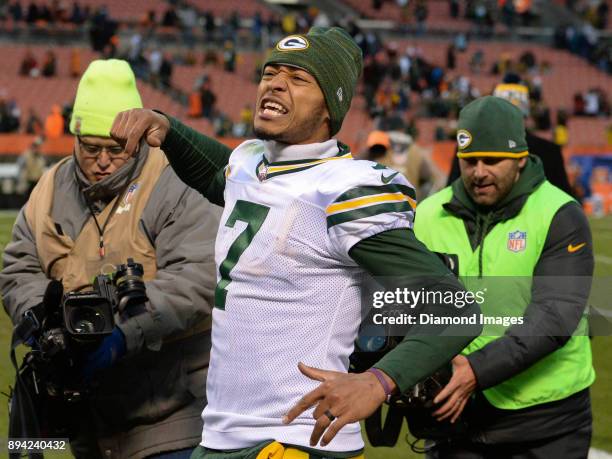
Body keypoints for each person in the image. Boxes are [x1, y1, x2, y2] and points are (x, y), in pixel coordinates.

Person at [110, 28, 481, 458]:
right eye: (271, 72)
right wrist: (168, 129)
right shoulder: (250, 163)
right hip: (221, 434)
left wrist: (378, 382)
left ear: (330, 106)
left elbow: (455, 308)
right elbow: (221, 176)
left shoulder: (344, 189)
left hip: (298, 438)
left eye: (299, 78)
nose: (275, 83)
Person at [0, 59, 221, 459]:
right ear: (75, 136)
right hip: (86, 422)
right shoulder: (49, 187)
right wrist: (46, 327)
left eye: (116, 149)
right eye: (91, 147)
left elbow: (198, 277)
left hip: (172, 417)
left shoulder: (176, 181)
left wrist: (122, 334)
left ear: (136, 137)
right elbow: (19, 267)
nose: (102, 160)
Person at [414, 96, 594, 458]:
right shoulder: (429, 214)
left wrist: (476, 370)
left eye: (492, 160)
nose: (479, 172)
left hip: (547, 423)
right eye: (469, 161)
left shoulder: (559, 213)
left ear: (521, 160)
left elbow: (556, 314)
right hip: (457, 419)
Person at [447, 77, 574, 197]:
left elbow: (451, 193)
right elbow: (566, 202)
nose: (480, 172)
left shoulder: (469, 145)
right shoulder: (550, 151)